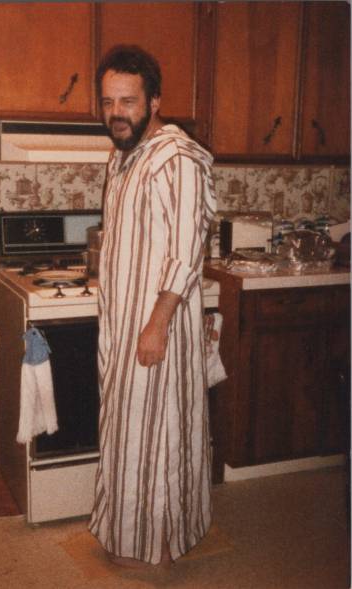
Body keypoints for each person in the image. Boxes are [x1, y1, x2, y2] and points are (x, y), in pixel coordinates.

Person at [89, 44, 217, 567]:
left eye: (128, 101)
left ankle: (161, 548)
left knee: (161, 436)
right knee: (127, 435)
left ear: (155, 102)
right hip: (122, 326)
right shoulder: (123, 156)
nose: (116, 112)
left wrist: (157, 325)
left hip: (155, 325)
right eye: (107, 102)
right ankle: (131, 537)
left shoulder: (176, 159)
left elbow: (186, 253)